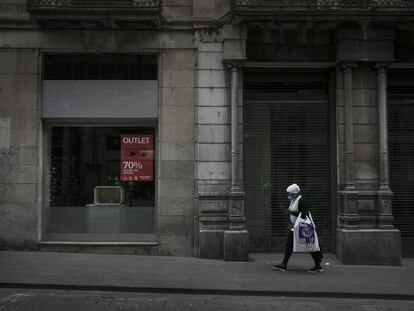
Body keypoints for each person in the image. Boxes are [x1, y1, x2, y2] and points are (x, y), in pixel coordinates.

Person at [272, 183, 324, 273]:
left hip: (302, 228)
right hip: (295, 227)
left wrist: (291, 212)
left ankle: (318, 265)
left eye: (290, 194)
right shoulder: (294, 200)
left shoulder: (301, 201)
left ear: (295, 194)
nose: (288, 196)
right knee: (290, 245)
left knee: (310, 246)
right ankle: (284, 264)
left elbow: (304, 214)